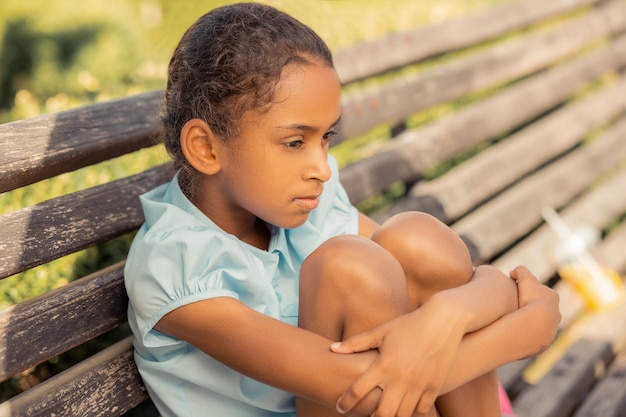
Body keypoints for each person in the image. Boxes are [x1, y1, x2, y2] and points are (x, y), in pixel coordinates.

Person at [124, 3, 560, 417]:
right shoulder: (174, 266)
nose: (321, 168)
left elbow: (472, 280)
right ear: (205, 147)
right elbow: (365, 391)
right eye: (295, 142)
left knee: (417, 238)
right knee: (347, 265)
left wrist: (450, 315)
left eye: (326, 137)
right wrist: (517, 334)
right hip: (359, 398)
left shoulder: (305, 204)